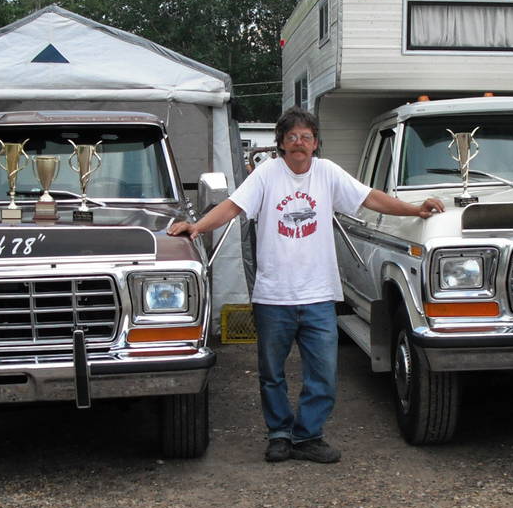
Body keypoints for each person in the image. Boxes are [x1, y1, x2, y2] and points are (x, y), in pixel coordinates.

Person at [169, 108, 444, 464]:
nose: (299, 143)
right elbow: (233, 207)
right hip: (274, 295)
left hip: (318, 295)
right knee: (272, 374)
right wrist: (197, 227)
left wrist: (414, 209)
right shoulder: (267, 174)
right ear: (281, 143)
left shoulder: (327, 173)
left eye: (306, 137)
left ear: (315, 143)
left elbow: (369, 198)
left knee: (323, 373)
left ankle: (308, 436)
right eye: (292, 137)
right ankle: (279, 435)